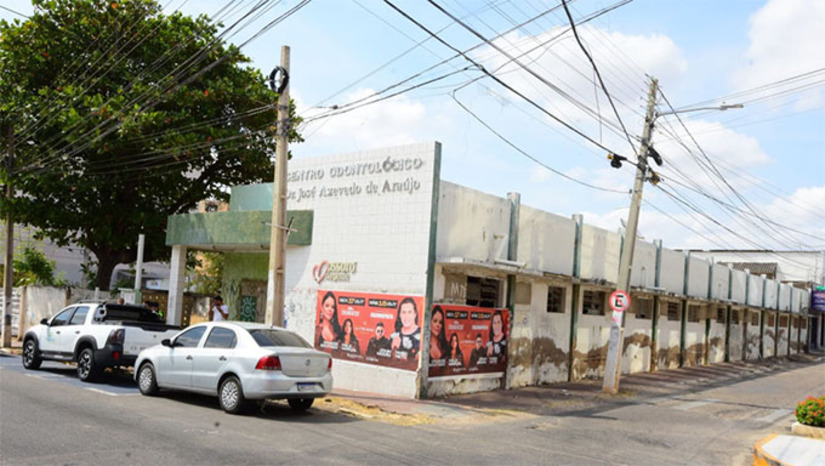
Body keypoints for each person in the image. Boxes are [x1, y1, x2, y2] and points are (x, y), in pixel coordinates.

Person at [390, 297, 421, 362]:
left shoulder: (422, 335)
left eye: (409, 312)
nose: (406, 316)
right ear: (400, 315)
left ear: (415, 314)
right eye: (403, 312)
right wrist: (393, 350)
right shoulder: (394, 335)